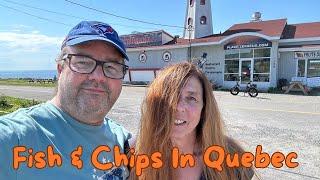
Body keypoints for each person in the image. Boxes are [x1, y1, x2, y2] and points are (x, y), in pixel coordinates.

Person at [0, 21, 131, 179]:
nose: (98, 77)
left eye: (111, 67)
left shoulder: (122, 139)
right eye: (83, 62)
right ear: (60, 69)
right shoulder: (16, 138)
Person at [130, 62, 254, 180]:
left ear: (204, 107)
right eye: (169, 96)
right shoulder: (137, 150)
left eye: (191, 98)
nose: (178, 107)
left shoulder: (232, 155)